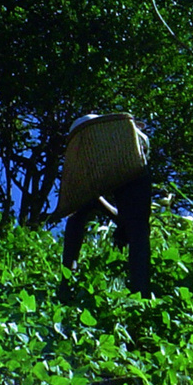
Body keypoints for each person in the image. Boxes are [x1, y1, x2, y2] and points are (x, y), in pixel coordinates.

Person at [58, 114, 152, 295]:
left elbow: (119, 217)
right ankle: (142, 294)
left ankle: (65, 285)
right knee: (139, 230)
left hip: (83, 138)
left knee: (79, 212)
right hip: (125, 149)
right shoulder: (131, 144)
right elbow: (132, 222)